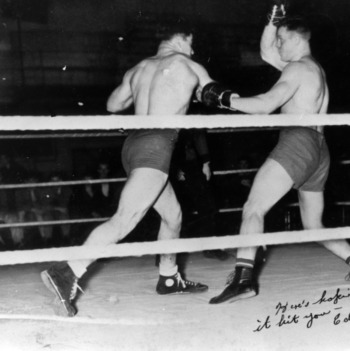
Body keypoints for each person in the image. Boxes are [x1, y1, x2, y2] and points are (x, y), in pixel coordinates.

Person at [41, 19, 217, 317]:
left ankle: (169, 276)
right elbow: (213, 93)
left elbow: (113, 104)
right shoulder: (187, 63)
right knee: (125, 220)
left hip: (133, 146)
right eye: (192, 42)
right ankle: (68, 270)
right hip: (157, 147)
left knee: (173, 216)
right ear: (184, 38)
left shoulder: (137, 69)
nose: (194, 48)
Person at [201, 3, 350, 304]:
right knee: (313, 227)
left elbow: (265, 105)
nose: (277, 44)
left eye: (282, 38)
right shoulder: (311, 68)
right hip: (319, 151)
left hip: (298, 142)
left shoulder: (296, 69)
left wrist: (226, 99)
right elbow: (267, 52)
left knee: (253, 208)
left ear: (297, 39)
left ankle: (243, 280)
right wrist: (273, 22)